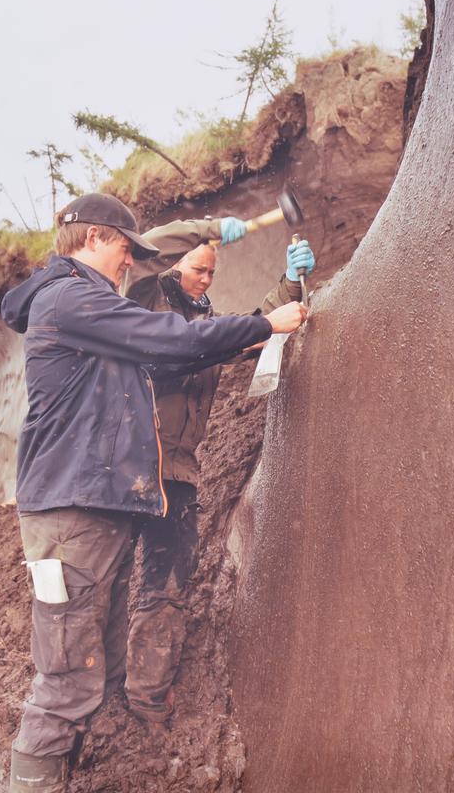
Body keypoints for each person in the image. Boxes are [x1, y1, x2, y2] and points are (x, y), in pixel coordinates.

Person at [0, 193, 306, 793]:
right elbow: (170, 334)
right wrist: (265, 320)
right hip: (71, 512)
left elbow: (194, 334)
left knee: (96, 665)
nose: (127, 263)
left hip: (95, 508)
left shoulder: (83, 301)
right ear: (92, 240)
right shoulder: (73, 299)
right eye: (121, 248)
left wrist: (280, 294)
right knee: (67, 681)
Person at [122, 215, 315, 724]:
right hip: (124, 469)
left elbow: (250, 329)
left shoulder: (203, 327)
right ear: (174, 266)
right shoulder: (142, 302)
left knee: (165, 586)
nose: (206, 279)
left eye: (212, 273)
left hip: (176, 475)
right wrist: (210, 227)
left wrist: (292, 283)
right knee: (107, 579)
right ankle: (93, 694)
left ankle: (144, 701)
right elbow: (148, 250)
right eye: (198, 269)